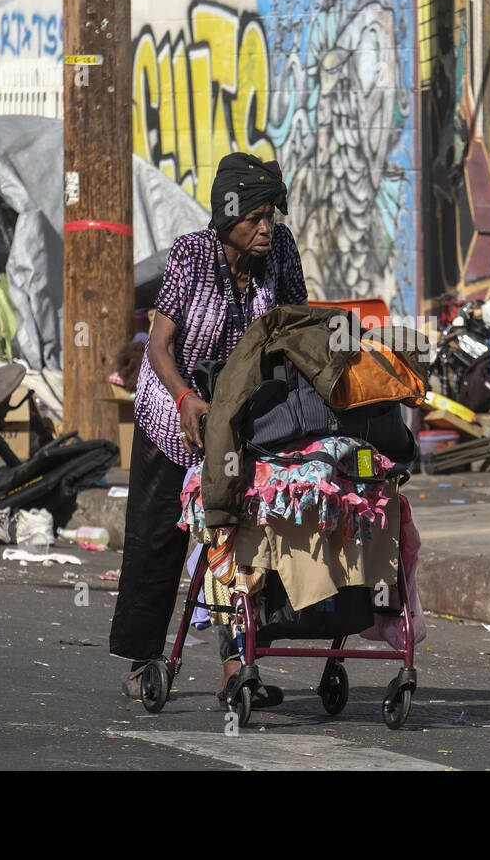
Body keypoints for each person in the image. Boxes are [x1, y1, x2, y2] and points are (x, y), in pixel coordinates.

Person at [111, 152, 308, 707]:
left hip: (240, 409)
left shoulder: (281, 254)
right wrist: (184, 399)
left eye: (273, 214)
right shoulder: (192, 254)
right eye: (256, 217)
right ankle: (143, 659)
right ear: (228, 219)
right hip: (174, 404)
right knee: (158, 535)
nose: (268, 227)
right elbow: (159, 343)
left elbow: (297, 329)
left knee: (236, 530)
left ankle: (234, 667)